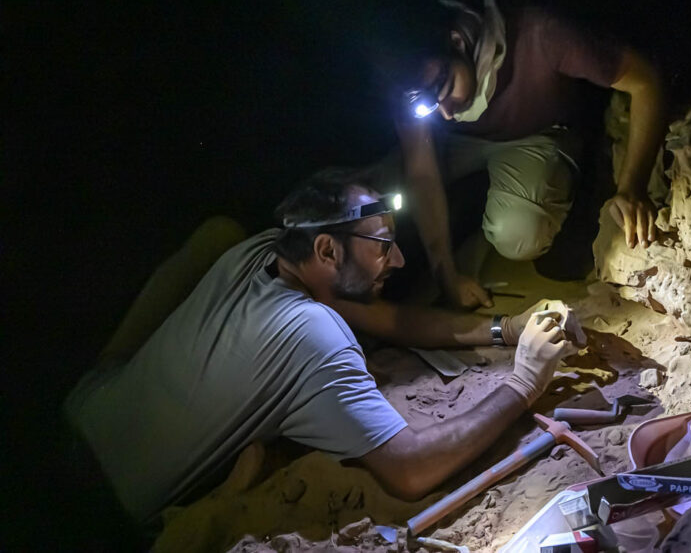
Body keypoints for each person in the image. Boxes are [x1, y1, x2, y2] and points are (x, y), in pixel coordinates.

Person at [63, 167, 582, 527]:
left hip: (81, 412)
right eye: (382, 246)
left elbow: (386, 319)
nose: (398, 261)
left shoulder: (259, 251)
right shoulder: (315, 336)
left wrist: (507, 329)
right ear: (327, 249)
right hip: (112, 515)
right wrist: (524, 382)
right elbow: (410, 469)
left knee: (214, 234)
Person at [385, 0, 667, 310]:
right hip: (456, 144)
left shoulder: (539, 31)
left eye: (445, 89)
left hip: (533, 133)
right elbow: (421, 172)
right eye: (429, 105)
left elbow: (645, 79)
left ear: (457, 41)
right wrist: (447, 278)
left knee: (518, 233)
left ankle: (484, 223)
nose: (446, 112)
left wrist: (632, 186)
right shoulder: (416, 82)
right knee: (377, 195)